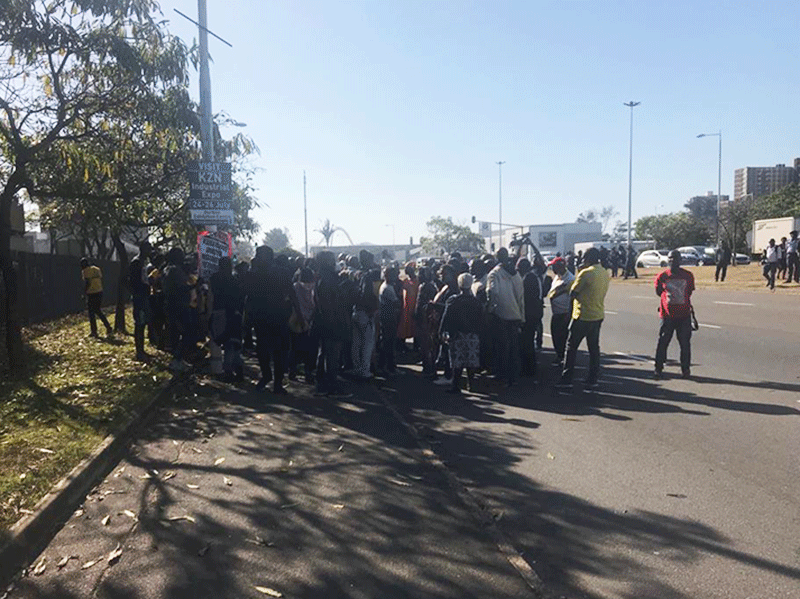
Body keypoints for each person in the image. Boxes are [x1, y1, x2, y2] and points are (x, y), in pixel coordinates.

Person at [556, 247, 610, 390]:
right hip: (597, 314)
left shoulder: (586, 273)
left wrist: (579, 272)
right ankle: (593, 378)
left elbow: (573, 291)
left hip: (582, 315)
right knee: (594, 348)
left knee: (571, 346)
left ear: (589, 258)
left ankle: (567, 378)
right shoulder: (604, 272)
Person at [246, 245, 296, 394]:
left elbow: (248, 296)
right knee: (278, 351)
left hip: (262, 316)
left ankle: (267, 376)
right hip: (278, 316)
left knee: (264, 348)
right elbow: (292, 293)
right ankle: (277, 383)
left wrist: (247, 316)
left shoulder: (253, 274)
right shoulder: (281, 272)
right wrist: (297, 312)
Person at [314, 251, 352, 396]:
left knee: (324, 353)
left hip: (325, 321)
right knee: (332, 355)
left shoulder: (321, 277)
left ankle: (322, 384)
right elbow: (329, 303)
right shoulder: (328, 279)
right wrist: (336, 321)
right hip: (332, 322)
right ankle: (332, 386)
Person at [653, 249, 695, 379]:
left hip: (684, 316)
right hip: (667, 316)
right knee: (663, 342)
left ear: (680, 260)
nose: (673, 261)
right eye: (670, 259)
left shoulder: (688, 275)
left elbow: (689, 292)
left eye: (675, 259)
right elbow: (659, 292)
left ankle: (685, 369)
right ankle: (658, 368)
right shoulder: (663, 276)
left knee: (685, 344)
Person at [439, 273, 482, 394]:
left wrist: (441, 331)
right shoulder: (476, 302)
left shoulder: (453, 300)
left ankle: (456, 385)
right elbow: (481, 319)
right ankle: (471, 384)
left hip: (456, 334)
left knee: (457, 361)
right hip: (472, 334)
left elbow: (446, 317)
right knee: (471, 360)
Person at [486, 248, 524, 386]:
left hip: (500, 315)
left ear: (496, 258)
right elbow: (520, 297)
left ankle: (502, 375)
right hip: (515, 314)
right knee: (513, 347)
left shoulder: (494, 273)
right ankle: (513, 376)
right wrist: (521, 316)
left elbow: (492, 292)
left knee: (502, 347)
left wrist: (490, 309)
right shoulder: (516, 274)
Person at [210, 256, 245, 383]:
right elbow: (239, 298)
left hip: (218, 312)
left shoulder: (214, 279)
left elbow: (210, 296)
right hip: (232, 314)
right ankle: (233, 369)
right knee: (232, 344)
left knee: (219, 341)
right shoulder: (233, 280)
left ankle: (226, 370)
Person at [351, 250, 381, 379]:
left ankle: (357, 368)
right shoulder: (368, 276)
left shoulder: (356, 273)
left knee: (357, 342)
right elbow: (367, 294)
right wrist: (371, 310)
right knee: (368, 343)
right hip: (365, 312)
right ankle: (365, 370)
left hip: (356, 310)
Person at [163, 247, 192, 372]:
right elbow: (182, 288)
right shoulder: (175, 270)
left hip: (171, 305)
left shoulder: (166, 269)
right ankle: (177, 358)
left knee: (175, 333)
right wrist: (195, 285)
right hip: (179, 305)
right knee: (187, 332)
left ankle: (178, 359)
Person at [288, 266, 317, 383]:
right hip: (310, 320)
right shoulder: (314, 287)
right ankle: (308, 373)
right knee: (309, 350)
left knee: (294, 348)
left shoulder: (295, 287)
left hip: (296, 321)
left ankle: (292, 371)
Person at [547, 257, 575, 367]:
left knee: (562, 336)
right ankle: (559, 356)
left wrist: (569, 314)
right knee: (555, 334)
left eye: (554, 266)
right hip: (556, 312)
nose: (552, 268)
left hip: (564, 312)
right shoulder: (557, 277)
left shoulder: (570, 279)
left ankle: (563, 357)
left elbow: (573, 298)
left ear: (561, 266)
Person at [516, 257, 541, 378]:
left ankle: (529, 369)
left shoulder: (527, 279)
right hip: (534, 313)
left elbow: (524, 299)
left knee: (526, 342)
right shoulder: (533, 277)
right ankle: (530, 368)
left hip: (529, 314)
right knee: (528, 342)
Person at [377, 264, 402, 376]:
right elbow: (397, 303)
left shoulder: (386, 286)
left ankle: (387, 367)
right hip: (388, 318)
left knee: (387, 342)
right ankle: (389, 368)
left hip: (387, 317)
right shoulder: (388, 288)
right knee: (388, 343)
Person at [129, 241, 152, 361]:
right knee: (139, 323)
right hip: (139, 298)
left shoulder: (143, 263)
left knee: (143, 324)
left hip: (144, 296)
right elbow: (134, 281)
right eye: (148, 249)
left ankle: (142, 350)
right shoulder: (136, 263)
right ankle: (139, 351)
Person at [80, 258, 113, 339]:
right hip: (99, 291)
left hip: (91, 293)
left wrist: (84, 293)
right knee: (98, 311)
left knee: (91, 313)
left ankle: (94, 331)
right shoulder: (97, 269)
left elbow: (88, 282)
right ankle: (108, 327)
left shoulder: (85, 271)